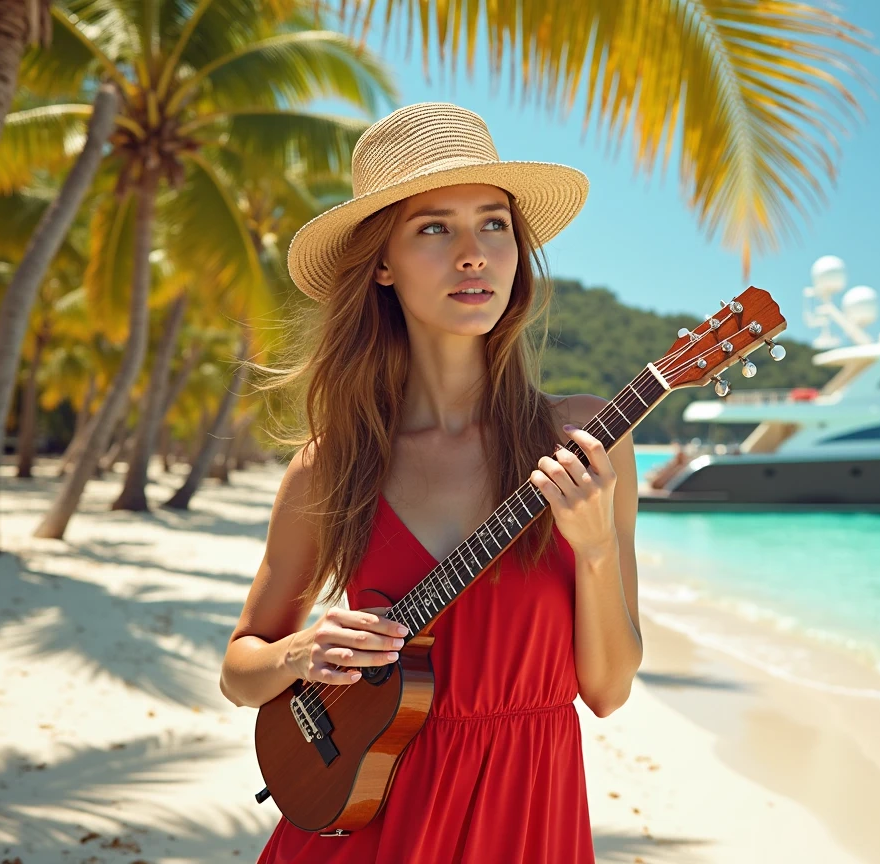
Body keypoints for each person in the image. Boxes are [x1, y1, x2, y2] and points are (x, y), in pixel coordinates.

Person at [219, 102, 643, 863]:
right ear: (382, 264)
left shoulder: (582, 439)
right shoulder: (333, 464)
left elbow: (609, 690)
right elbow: (241, 669)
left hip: (527, 817)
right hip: (372, 824)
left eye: (493, 224)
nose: (473, 253)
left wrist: (597, 547)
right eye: (434, 228)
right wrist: (301, 653)